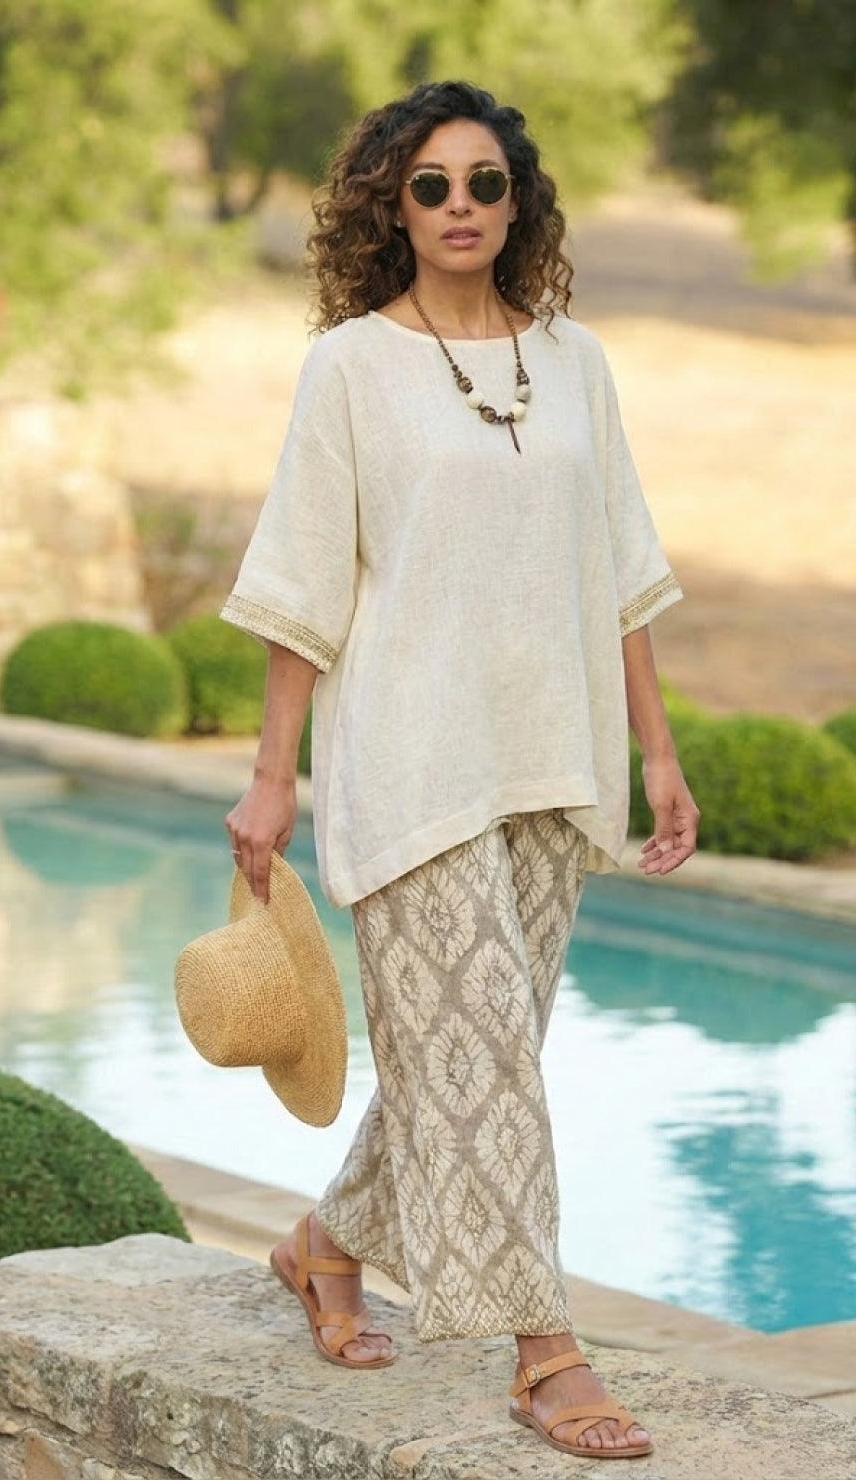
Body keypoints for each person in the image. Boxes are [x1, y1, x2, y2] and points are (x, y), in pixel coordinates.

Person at [222, 79, 699, 1459]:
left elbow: (621, 571)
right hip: (412, 763)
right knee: (481, 1053)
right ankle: (545, 1353)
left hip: (555, 759)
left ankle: (324, 1245)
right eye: (430, 185)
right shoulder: (349, 368)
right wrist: (272, 775)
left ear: (517, 201)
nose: (459, 207)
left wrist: (658, 754)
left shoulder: (576, 363)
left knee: (479, 1052)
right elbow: (301, 586)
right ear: (391, 204)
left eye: (485, 182)